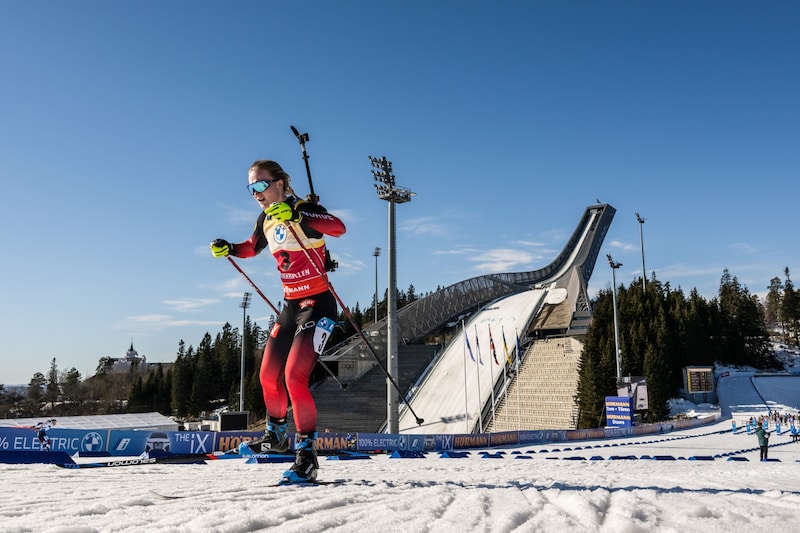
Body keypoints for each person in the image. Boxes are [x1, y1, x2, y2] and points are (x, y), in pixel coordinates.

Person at [211, 159, 345, 483]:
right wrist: (229, 247)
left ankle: (307, 455)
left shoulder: (304, 210)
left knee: (294, 376)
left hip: (319, 305)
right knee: (269, 375)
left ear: (280, 183)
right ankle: (274, 435)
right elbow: (250, 247)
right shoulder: (266, 219)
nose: (256, 193)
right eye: (251, 187)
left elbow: (338, 227)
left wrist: (300, 215)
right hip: (291, 306)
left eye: (261, 185)